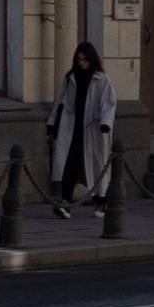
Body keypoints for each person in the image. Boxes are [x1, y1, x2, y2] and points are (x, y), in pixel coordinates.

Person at [45, 41, 116, 218]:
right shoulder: (71, 78)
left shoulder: (101, 79)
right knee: (69, 165)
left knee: (98, 165)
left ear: (92, 60)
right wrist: (52, 123)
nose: (82, 63)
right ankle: (66, 203)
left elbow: (108, 103)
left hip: (94, 129)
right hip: (72, 129)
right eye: (78, 60)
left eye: (85, 60)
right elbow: (60, 101)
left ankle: (101, 201)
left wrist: (106, 123)